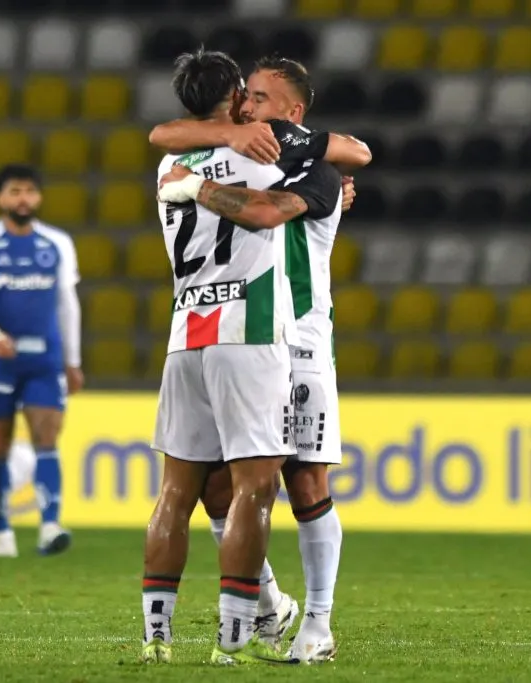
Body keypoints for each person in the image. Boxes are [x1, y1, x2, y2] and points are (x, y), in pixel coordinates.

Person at [151, 56, 371, 663]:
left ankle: (318, 624)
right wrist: (224, 135)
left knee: (304, 484)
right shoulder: (246, 152)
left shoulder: (313, 167)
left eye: (260, 97)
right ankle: (268, 605)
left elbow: (351, 156)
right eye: (243, 94)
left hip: (297, 343)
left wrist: (198, 182)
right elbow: (165, 134)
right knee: (219, 489)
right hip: (246, 340)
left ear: (293, 113)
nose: (247, 104)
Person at [0, 164, 83, 558]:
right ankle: (2, 530)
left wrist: (73, 360)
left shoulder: (57, 243)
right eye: (14, 191)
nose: (22, 198)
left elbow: (68, 303)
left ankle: (49, 526)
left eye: (29, 191)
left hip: (45, 359)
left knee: (47, 439)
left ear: (39, 197)